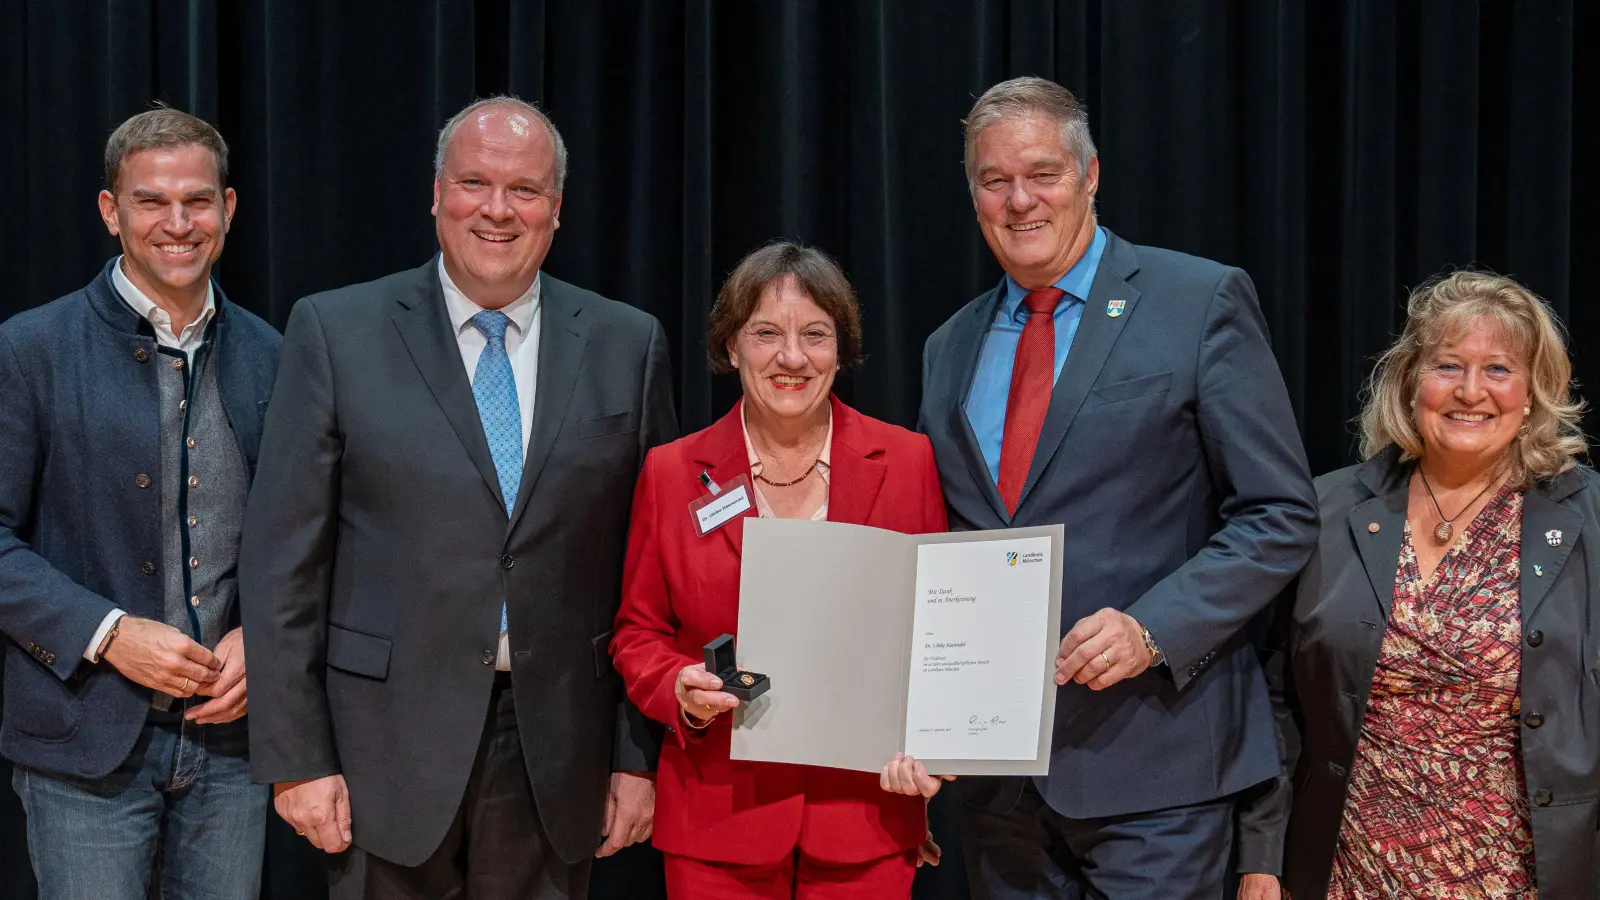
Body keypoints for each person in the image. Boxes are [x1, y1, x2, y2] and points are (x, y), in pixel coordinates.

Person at [238, 95, 676, 900]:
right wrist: (299, 757)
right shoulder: (336, 331)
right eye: (475, 182)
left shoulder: (628, 343)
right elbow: (282, 566)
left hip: (559, 753)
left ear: (557, 208)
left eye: (525, 189)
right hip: (381, 752)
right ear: (437, 193)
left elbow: (651, 575)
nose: (498, 210)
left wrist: (634, 755)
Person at [917, 76, 1319, 899]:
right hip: (1002, 790)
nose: (1019, 199)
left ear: (1090, 175)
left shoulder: (1197, 301)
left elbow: (1280, 513)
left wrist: (1152, 628)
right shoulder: (947, 346)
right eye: (994, 180)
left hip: (1160, 773)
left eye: (1043, 174)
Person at [1235, 271, 1599, 899]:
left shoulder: (1587, 517)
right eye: (1448, 366)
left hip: (1519, 876)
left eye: (1499, 370)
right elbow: (1273, 697)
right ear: (1409, 383)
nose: (1470, 391)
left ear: (1534, 392)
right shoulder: (1325, 509)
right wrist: (1261, 855)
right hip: (1345, 868)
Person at [611, 242, 951, 899]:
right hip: (718, 816)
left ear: (840, 349)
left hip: (868, 814)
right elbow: (637, 632)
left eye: (814, 335)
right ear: (732, 347)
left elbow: (936, 629)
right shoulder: (672, 473)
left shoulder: (908, 462)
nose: (791, 358)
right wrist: (678, 689)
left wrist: (942, 741)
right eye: (766, 333)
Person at [0, 106, 280, 900]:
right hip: (82, 742)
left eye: (198, 200)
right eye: (152, 201)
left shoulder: (277, 355)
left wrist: (261, 636)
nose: (178, 223)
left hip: (235, 748)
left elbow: (307, 537)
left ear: (228, 209)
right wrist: (108, 634)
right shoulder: (30, 349)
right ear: (110, 211)